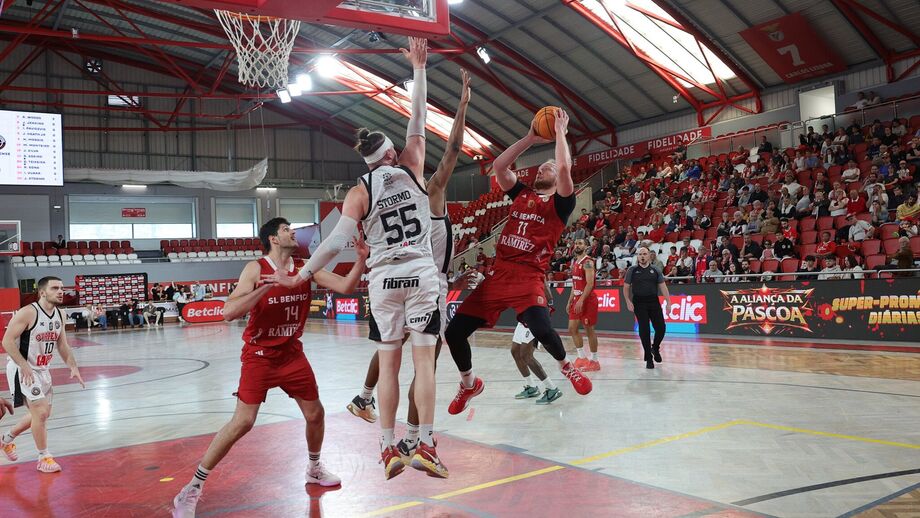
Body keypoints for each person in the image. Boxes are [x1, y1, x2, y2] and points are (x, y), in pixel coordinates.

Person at [273, 38, 447, 481]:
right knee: (424, 363)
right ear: (390, 153)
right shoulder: (411, 163)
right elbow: (419, 118)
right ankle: (425, 443)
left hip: (384, 280)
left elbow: (333, 244)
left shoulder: (359, 191)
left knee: (388, 365)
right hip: (421, 273)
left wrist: (303, 275)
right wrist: (419, 70)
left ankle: (388, 447)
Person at [171, 218, 369, 517]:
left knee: (316, 414)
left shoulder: (305, 265)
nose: (292, 232)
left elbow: (345, 286)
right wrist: (266, 287)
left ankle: (314, 468)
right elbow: (228, 312)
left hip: (291, 354)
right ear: (273, 239)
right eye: (286, 229)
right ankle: (192, 488)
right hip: (259, 355)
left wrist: (360, 261)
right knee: (243, 422)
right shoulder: (255, 268)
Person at [345, 69, 471, 466]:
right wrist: (462, 108)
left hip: (392, 278)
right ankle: (417, 440)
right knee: (425, 363)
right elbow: (450, 151)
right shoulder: (430, 192)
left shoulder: (386, 192)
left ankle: (367, 401)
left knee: (390, 349)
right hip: (423, 283)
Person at [443, 107, 592, 421]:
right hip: (499, 276)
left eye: (547, 168)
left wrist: (561, 133)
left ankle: (567, 369)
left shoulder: (561, 203)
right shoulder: (522, 195)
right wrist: (530, 137)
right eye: (539, 168)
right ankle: (469, 384)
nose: (541, 170)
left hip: (528, 278)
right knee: (454, 332)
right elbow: (499, 166)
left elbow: (564, 168)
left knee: (541, 327)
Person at [1, 276, 85, 473]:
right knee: (39, 412)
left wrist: (73, 366)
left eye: (62, 288)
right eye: (55, 288)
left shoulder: (59, 315)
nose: (61, 291)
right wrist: (23, 365)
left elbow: (62, 344)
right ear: (42, 292)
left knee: (42, 414)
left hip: (42, 369)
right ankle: (44, 457)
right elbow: (7, 341)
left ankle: (6, 439)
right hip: (22, 368)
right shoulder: (28, 313)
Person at [510, 279, 561, 405]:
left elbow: (549, 296)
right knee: (515, 351)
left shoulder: (532, 271)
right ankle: (531, 387)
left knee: (526, 355)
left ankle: (551, 388)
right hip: (523, 316)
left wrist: (544, 311)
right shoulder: (514, 272)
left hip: (535, 315)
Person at [624, 247, 671, 369]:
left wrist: (668, 302)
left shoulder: (655, 270)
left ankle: (655, 348)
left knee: (661, 328)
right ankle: (648, 358)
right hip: (639, 302)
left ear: (650, 255)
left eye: (644, 254)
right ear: (638, 256)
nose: (642, 256)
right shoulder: (632, 270)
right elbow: (626, 287)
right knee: (644, 330)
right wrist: (628, 301)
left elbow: (663, 287)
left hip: (653, 301)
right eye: (640, 254)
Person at [568, 238, 600, 371]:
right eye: (576, 243)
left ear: (586, 246)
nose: (577, 245)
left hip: (587, 300)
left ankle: (594, 360)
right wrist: (570, 299)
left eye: (580, 243)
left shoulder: (587, 262)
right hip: (576, 298)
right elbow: (575, 282)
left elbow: (590, 283)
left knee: (589, 329)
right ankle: (581, 357)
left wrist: (581, 300)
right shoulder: (575, 262)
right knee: (572, 328)